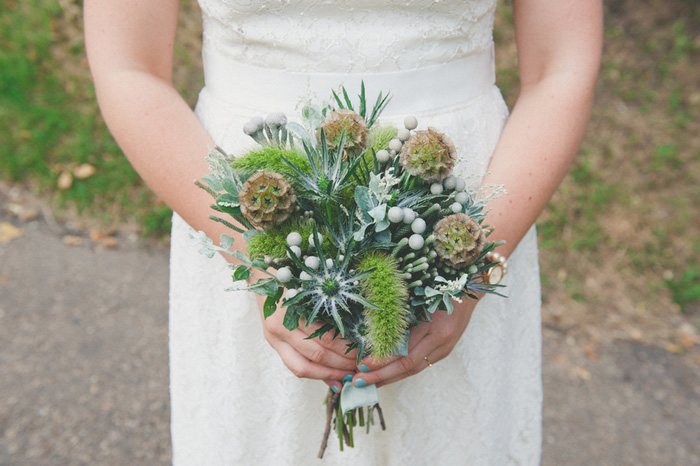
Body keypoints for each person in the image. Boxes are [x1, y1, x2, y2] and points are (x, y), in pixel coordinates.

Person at [85, 0, 602, 464]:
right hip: (244, 204)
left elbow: (562, 64)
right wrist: (261, 259)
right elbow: (128, 65)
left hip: (465, 200)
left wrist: (469, 266)